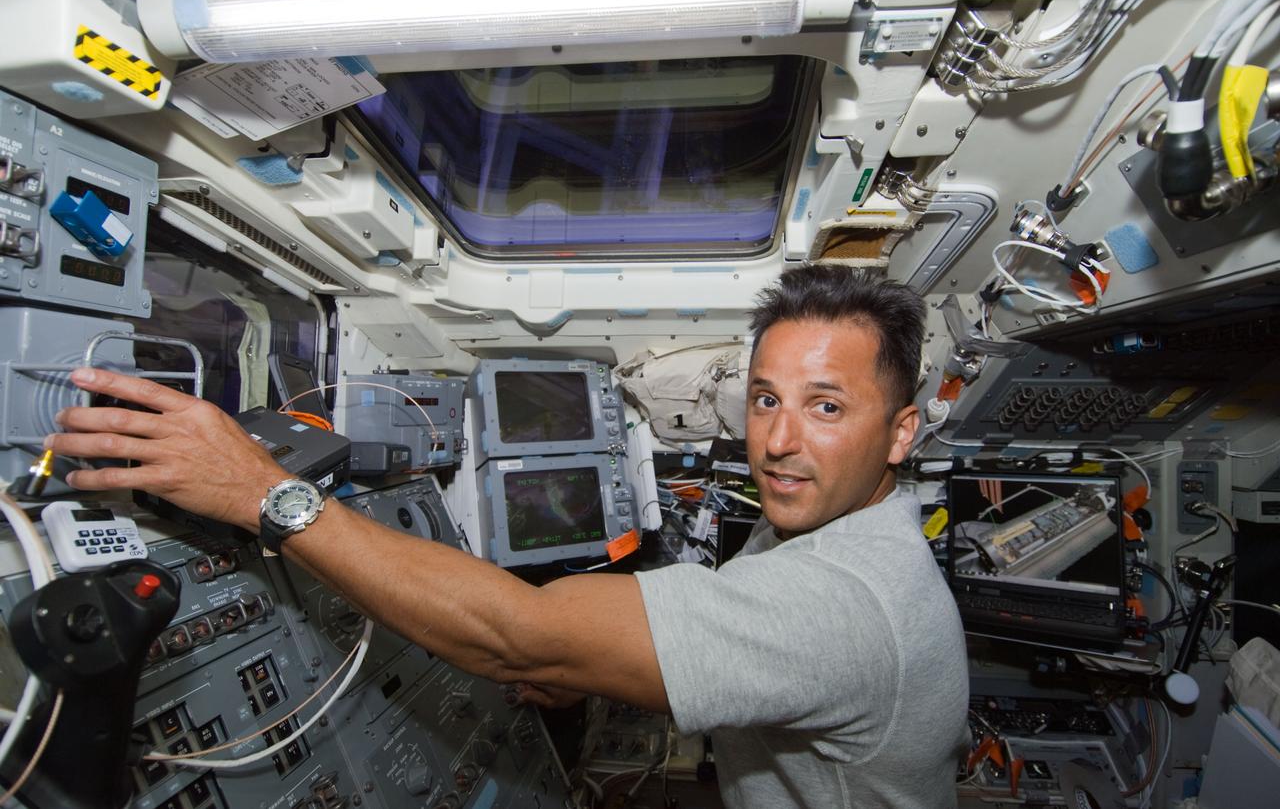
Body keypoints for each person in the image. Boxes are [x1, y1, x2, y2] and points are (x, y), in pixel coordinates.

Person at [45, 264, 968, 808]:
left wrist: (264, 493)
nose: (778, 440)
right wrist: (575, 665)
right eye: (766, 397)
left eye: (828, 406)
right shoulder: (835, 527)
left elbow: (515, 636)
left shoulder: (849, 600)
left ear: (901, 432)